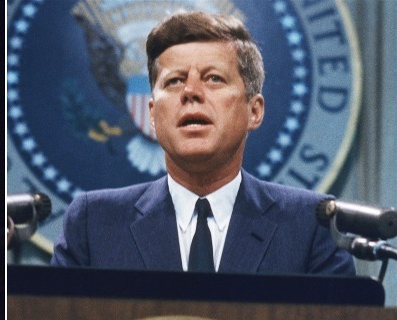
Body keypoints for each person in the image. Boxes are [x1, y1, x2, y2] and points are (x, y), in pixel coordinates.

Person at [51, 11, 355, 275]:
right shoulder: (94, 224)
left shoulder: (311, 226)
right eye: (174, 81)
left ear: (254, 111)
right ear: (153, 115)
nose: (191, 92)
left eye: (213, 79)